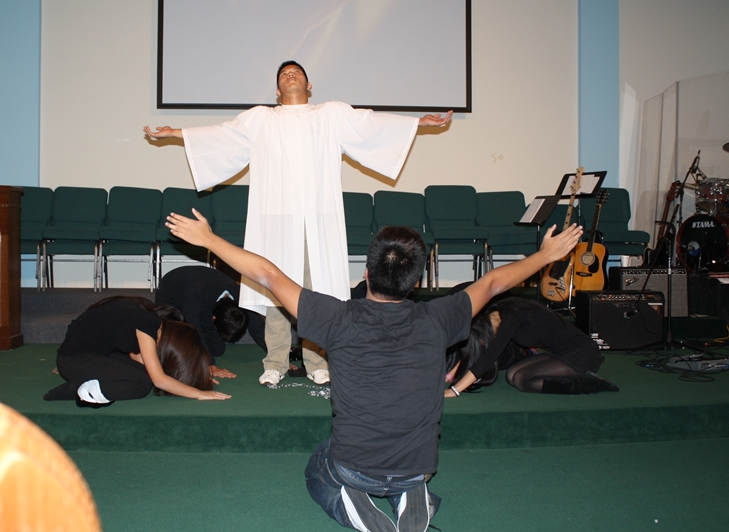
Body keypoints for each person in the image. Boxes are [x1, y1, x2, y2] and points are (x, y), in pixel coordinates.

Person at [164, 207, 582, 532]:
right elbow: (492, 284)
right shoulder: (439, 318)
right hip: (418, 469)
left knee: (319, 464)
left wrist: (209, 239)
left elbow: (269, 275)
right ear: (416, 282)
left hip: (354, 469)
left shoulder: (337, 318)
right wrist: (546, 255)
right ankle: (413, 496)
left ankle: (358, 509)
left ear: (365, 274)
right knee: (400, 469)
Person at [144, 60, 452, 387]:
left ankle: (317, 361)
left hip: (317, 221)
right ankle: (275, 361)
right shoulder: (261, 119)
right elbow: (223, 135)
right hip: (276, 221)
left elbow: (371, 125)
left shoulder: (330, 115)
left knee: (315, 292)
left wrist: (418, 123)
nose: (290, 75)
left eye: (297, 73)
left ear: (309, 85)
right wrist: (174, 133)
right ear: (277, 91)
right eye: (283, 74)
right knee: (275, 290)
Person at [43, 296, 230, 407]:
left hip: (86, 355)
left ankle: (87, 383)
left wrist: (195, 370)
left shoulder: (146, 320)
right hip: (73, 360)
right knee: (143, 384)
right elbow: (159, 379)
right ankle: (79, 390)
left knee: (141, 373)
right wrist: (198, 393)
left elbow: (144, 361)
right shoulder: (146, 327)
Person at [444, 295, 619, 397]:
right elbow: (476, 348)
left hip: (582, 354)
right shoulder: (496, 314)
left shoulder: (510, 320)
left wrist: (455, 390)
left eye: (482, 341)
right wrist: (451, 373)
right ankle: (571, 377)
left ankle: (588, 385)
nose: (483, 344)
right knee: (511, 375)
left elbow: (487, 358)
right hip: (560, 353)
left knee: (521, 380)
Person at [155, 265, 266, 379]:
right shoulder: (194, 298)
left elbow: (258, 326)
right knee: (177, 344)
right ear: (214, 318)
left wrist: (274, 353)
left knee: (217, 349)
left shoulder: (240, 295)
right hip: (170, 293)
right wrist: (210, 365)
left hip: (202, 292)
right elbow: (195, 330)